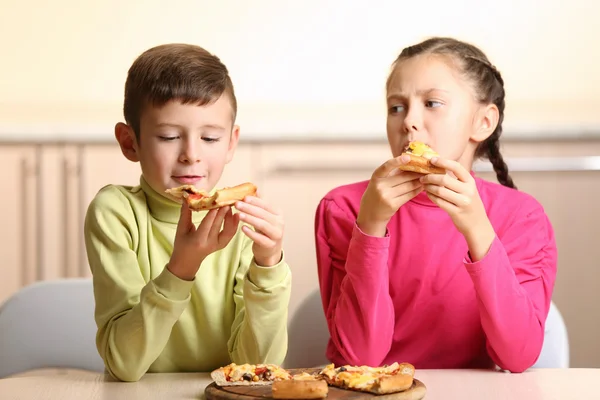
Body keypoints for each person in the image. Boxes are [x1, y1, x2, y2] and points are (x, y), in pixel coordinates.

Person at [314, 37, 557, 373]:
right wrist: (370, 227)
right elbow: (361, 358)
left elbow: (517, 356)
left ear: (483, 122)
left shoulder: (522, 217)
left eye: (432, 103)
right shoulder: (343, 208)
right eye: (396, 107)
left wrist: (477, 229)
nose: (409, 121)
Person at [84, 43, 291, 382]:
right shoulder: (116, 213)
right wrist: (182, 267)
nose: (191, 155)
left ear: (231, 143)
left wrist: (268, 265)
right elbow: (125, 364)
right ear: (129, 142)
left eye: (210, 138)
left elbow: (259, 367)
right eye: (168, 136)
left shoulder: (240, 222)